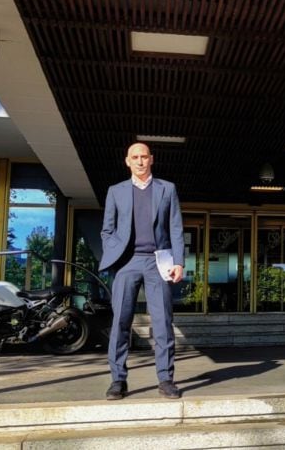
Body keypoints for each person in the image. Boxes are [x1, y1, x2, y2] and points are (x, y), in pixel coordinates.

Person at [99, 142, 185, 400]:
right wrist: (115, 254)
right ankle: (118, 380)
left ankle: (166, 379)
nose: (139, 161)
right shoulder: (115, 191)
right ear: (127, 161)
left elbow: (176, 228)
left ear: (151, 160)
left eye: (144, 157)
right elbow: (107, 229)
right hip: (127, 263)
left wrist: (179, 262)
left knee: (162, 323)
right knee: (121, 322)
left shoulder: (167, 189)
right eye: (134, 157)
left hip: (158, 262)